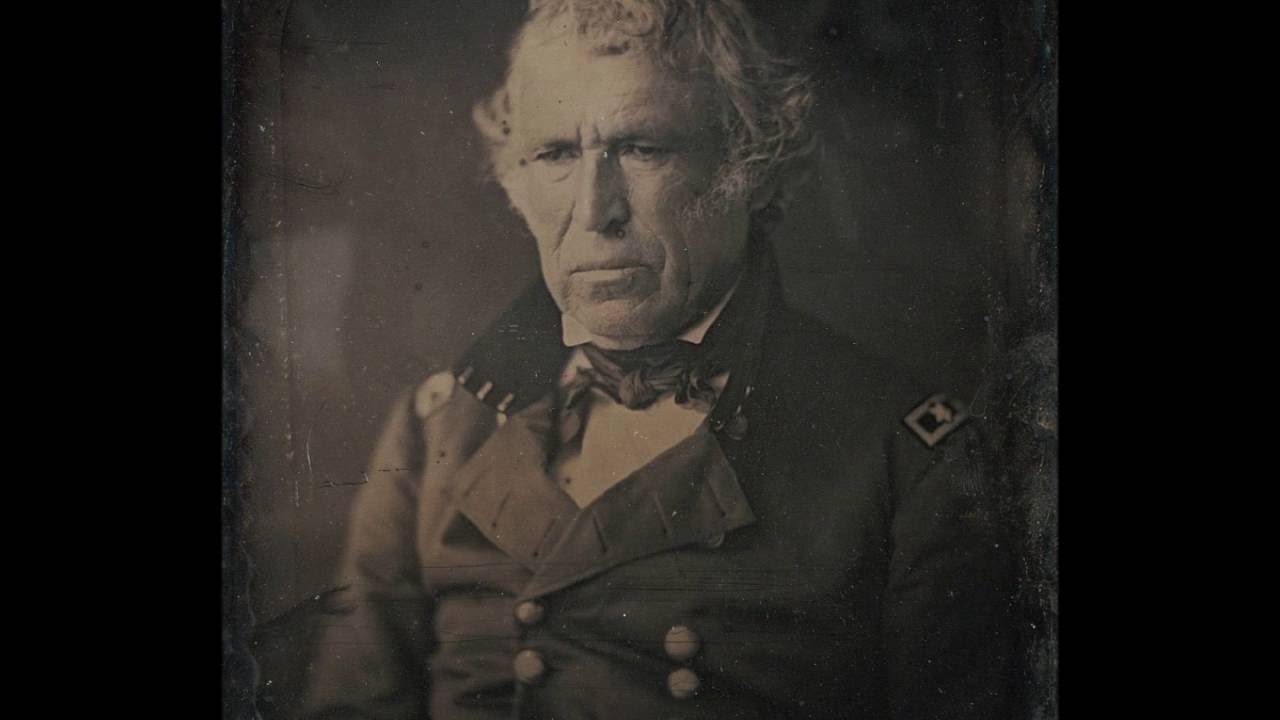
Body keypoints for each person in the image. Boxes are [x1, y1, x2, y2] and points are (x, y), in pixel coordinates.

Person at [302, 1, 1016, 718]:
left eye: (643, 149)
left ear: (755, 169)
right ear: (515, 184)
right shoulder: (439, 430)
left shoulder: (909, 465)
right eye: (555, 155)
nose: (594, 210)